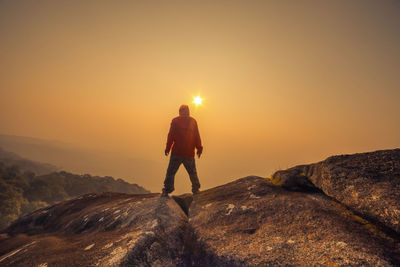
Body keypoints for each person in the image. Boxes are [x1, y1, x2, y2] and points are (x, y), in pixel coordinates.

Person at [162, 105, 203, 197]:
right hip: (188, 153)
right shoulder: (192, 121)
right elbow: (197, 136)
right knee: (192, 172)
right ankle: (196, 189)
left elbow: (171, 135)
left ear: (179, 111)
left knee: (171, 172)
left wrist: (168, 148)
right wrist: (199, 148)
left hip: (177, 152)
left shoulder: (176, 121)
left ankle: (167, 190)